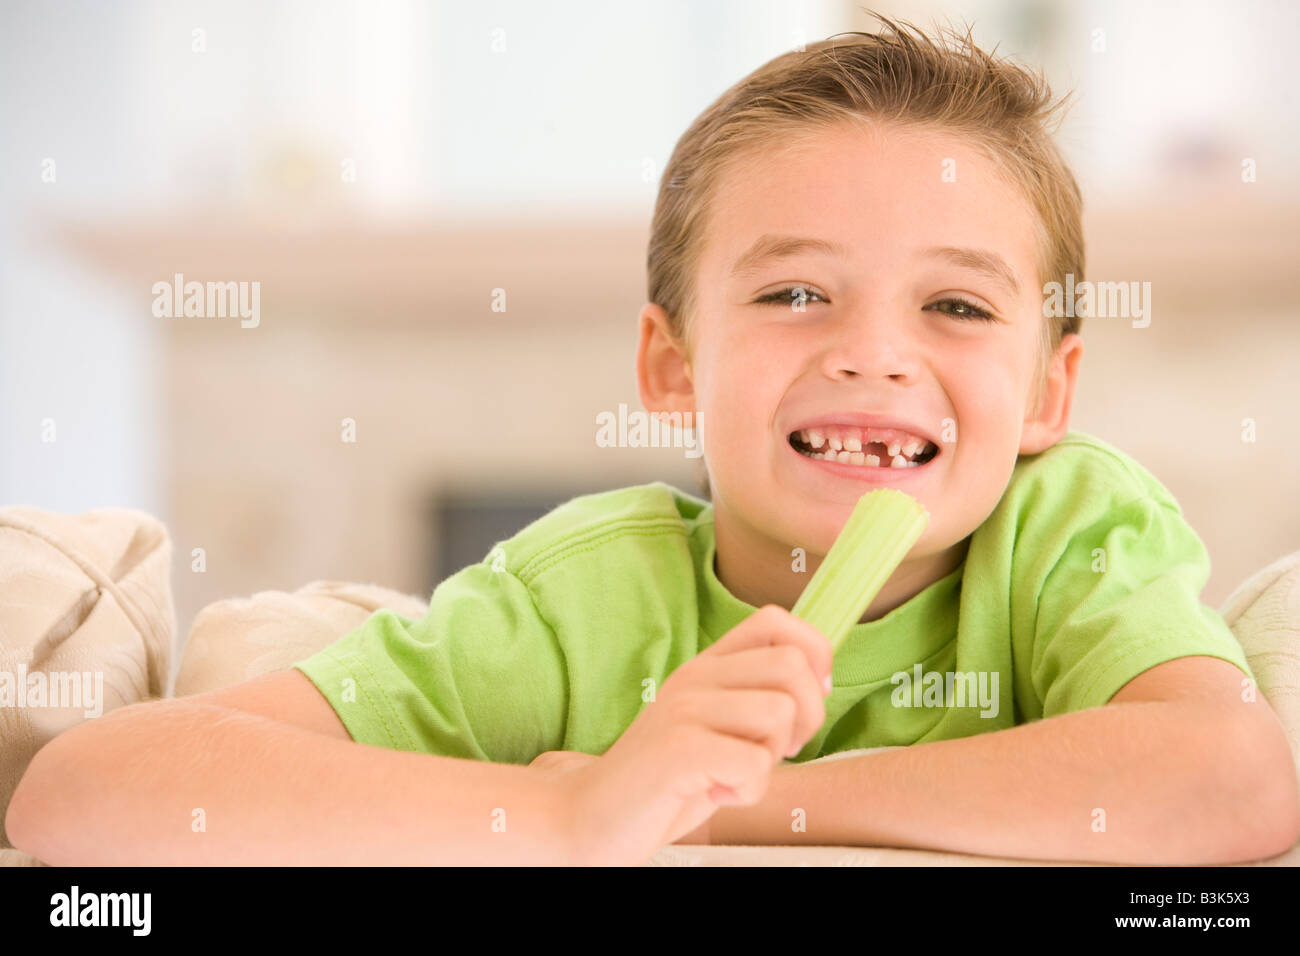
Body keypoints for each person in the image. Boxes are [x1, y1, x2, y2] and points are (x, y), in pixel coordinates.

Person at [8, 16, 1297, 867]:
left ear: (1047, 394)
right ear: (671, 367)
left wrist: (737, 801)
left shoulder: (1069, 531)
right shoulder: (585, 596)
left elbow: (1234, 784)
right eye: (796, 294)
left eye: (957, 306)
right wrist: (575, 811)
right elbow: (81, 800)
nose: (875, 353)